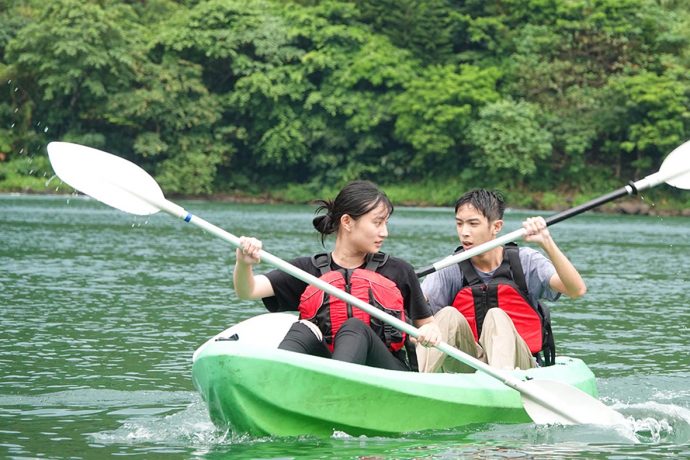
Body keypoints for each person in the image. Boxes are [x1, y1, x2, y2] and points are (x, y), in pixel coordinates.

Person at [233, 180, 441, 371]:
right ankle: (275, 378)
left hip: (386, 373)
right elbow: (248, 290)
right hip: (327, 368)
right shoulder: (308, 270)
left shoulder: (399, 270)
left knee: (354, 327)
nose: (384, 232)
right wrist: (243, 263)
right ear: (347, 222)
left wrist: (431, 332)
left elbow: (428, 324)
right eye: (377, 223)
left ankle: (337, 384)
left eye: (386, 223)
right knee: (303, 328)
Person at [417, 189, 587, 373]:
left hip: (519, 367)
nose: (464, 232)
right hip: (469, 362)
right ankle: (419, 380)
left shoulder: (526, 261)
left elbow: (576, 290)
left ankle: (500, 384)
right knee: (447, 315)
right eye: (459, 224)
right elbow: (417, 302)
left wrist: (546, 242)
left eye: (473, 224)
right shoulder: (450, 267)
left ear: (496, 227)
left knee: (496, 316)